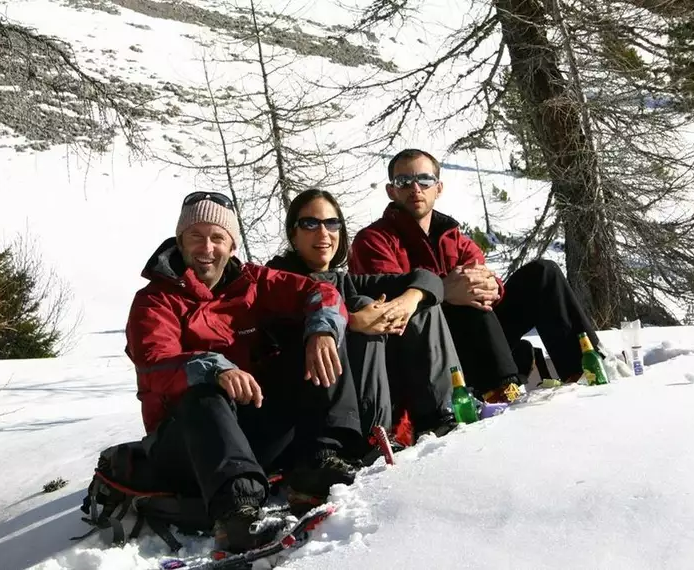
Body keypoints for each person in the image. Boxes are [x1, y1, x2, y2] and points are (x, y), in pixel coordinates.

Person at [125, 191, 362, 554]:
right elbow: (155, 365)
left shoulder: (252, 281)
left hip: (246, 431)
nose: (207, 247)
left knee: (319, 337)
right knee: (201, 392)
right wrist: (214, 368)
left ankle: (316, 460)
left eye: (217, 237)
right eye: (196, 236)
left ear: (232, 244)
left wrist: (321, 329)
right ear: (180, 240)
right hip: (186, 443)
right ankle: (237, 516)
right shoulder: (155, 300)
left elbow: (320, 291)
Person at [350, 149, 601, 400]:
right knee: (467, 301)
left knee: (542, 274)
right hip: (425, 350)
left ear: (438, 188)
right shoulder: (373, 241)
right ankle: (503, 391)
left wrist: (494, 287)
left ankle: (587, 366)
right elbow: (390, 304)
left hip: (478, 339)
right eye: (404, 181)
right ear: (391, 190)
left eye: (424, 180)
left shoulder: (453, 236)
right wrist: (445, 292)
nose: (415, 188)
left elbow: (484, 279)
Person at [267, 189, 457, 445]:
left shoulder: (344, 280)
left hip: (365, 389)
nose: (323, 233)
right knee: (362, 305)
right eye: (310, 223)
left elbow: (427, 279)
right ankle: (374, 437)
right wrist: (355, 320)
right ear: (293, 233)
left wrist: (407, 302)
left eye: (332, 223)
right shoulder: (274, 279)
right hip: (304, 401)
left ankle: (440, 416)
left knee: (421, 302)